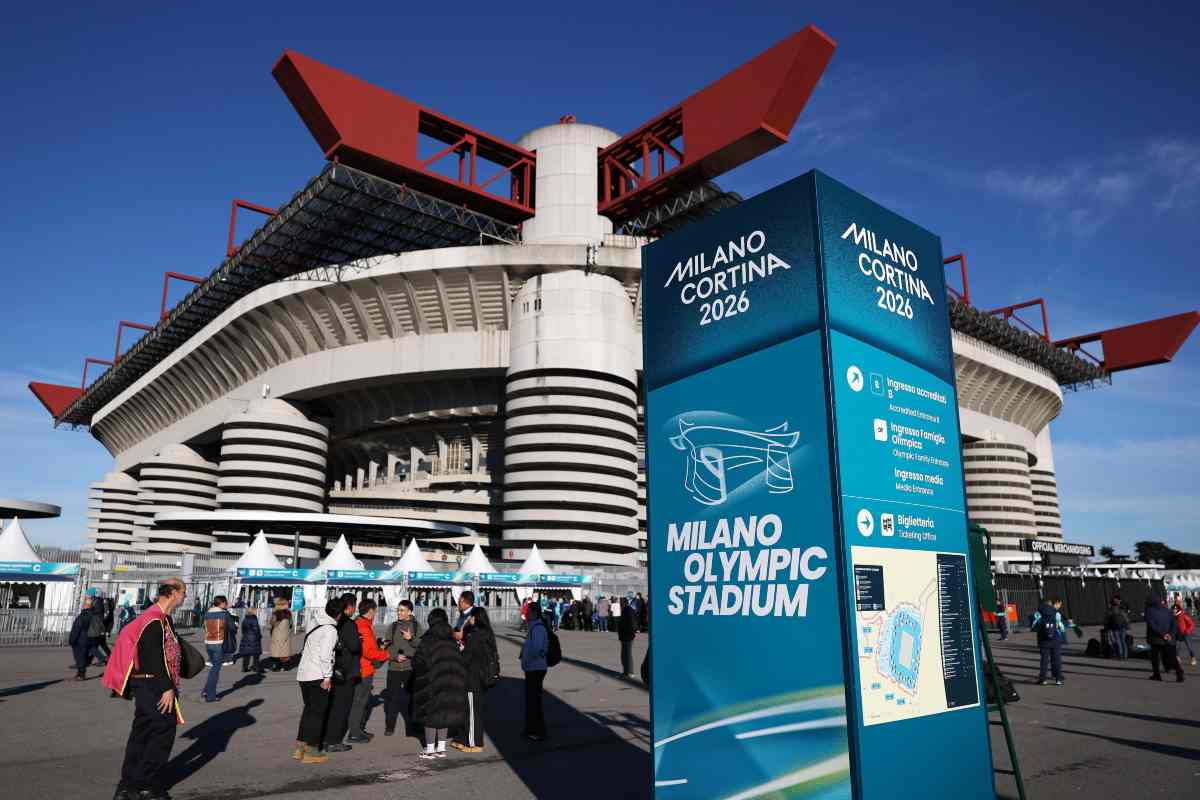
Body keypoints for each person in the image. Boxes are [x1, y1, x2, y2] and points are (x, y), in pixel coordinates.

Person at [103, 578, 189, 800]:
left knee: (142, 732)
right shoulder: (154, 620)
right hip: (154, 684)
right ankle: (146, 785)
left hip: (146, 684)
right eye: (183, 592)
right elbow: (153, 657)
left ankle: (127, 785)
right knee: (163, 730)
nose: (185, 597)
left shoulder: (159, 618)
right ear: (172, 593)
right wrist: (166, 688)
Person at [411, 608, 469, 759]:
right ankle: (441, 747)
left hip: (432, 681)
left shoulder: (428, 639)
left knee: (430, 716)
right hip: (451, 680)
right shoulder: (451, 639)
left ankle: (430, 749)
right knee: (444, 714)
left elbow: (418, 662)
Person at [294, 597, 342, 765]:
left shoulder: (315, 623)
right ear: (339, 614)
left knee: (308, 712)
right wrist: (328, 676)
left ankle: (301, 747)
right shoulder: (330, 630)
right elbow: (325, 656)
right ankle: (312, 750)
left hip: (303, 674)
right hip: (317, 675)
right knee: (318, 713)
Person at [454, 606, 497, 753]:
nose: (469, 619)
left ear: (476, 618)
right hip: (481, 675)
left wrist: (459, 652)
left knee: (472, 711)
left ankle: (474, 742)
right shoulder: (486, 633)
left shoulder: (476, 635)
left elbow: (466, 656)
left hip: (473, 677)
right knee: (472, 708)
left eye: (471, 617)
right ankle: (462, 738)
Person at [323, 594, 363, 752]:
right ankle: (333, 740)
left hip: (333, 668)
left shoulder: (333, 622)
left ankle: (326, 738)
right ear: (350, 606)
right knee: (341, 707)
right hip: (346, 670)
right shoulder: (349, 623)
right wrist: (359, 641)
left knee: (332, 706)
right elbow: (354, 646)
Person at [347, 599, 391, 743]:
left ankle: (358, 729)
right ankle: (354, 732)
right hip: (364, 669)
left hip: (360, 667)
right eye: (375, 610)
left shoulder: (359, 623)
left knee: (360, 701)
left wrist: (377, 644)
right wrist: (387, 654)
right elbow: (369, 652)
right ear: (370, 610)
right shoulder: (364, 627)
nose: (376, 613)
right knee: (359, 702)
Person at [383, 599, 421, 737]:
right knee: (392, 699)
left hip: (410, 668)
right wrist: (394, 657)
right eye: (398, 610)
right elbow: (385, 648)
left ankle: (412, 727)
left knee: (412, 699)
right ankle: (390, 726)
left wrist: (411, 638)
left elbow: (421, 646)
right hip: (394, 668)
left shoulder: (417, 627)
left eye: (402, 610)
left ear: (410, 612)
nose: (399, 612)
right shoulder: (392, 627)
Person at [520, 601, 549, 741]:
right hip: (533, 667)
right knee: (531, 701)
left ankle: (538, 731)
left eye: (529, 612)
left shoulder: (537, 628)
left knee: (534, 701)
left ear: (535, 613)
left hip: (535, 668)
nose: (527, 614)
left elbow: (536, 649)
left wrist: (527, 661)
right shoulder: (534, 627)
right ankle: (531, 728)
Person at [1146, 595, 1185, 682]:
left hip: (1156, 638)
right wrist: (1170, 634)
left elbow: (1152, 625)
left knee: (1155, 658)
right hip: (1168, 639)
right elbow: (1174, 623)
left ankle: (1157, 675)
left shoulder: (1149, 611)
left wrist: (1163, 634)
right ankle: (1179, 673)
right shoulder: (1167, 610)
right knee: (1172, 657)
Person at [202, 596, 232, 702]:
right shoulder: (224, 614)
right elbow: (232, 627)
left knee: (214, 667)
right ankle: (210, 696)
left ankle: (206, 690)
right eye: (225, 603)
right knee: (216, 669)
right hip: (219, 642)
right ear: (222, 603)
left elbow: (204, 626)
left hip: (208, 642)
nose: (226, 605)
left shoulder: (207, 613)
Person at [1032, 596, 1066, 686]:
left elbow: (1034, 626)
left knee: (1044, 660)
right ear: (1050, 603)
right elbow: (1061, 627)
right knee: (1056, 659)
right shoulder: (1056, 613)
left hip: (1043, 640)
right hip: (1055, 639)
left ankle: (1043, 679)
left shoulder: (1038, 612)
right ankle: (1058, 679)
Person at [68, 597, 96, 681]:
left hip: (80, 640)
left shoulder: (82, 616)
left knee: (79, 657)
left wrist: (71, 640)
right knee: (83, 657)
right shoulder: (94, 615)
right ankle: (80, 673)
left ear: (85, 606)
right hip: (90, 639)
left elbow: (76, 629)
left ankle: (81, 674)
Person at [268, 600, 293, 672]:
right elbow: (291, 624)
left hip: (277, 634)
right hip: (285, 635)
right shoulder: (288, 613)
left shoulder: (276, 613)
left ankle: (277, 667)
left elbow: (272, 623)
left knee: (277, 652)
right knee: (284, 652)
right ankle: (286, 667)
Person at [1171, 600, 1196, 667]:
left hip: (1185, 634)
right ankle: (1178, 658)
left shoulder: (1183, 615)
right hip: (1177, 634)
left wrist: (1187, 631)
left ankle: (1193, 658)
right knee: (1176, 648)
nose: (1174, 610)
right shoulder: (1172, 617)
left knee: (1190, 647)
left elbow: (1192, 624)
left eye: (1175, 609)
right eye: (1173, 609)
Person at [238, 607, 263, 673]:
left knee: (246, 654)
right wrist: (259, 636)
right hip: (254, 638)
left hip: (246, 637)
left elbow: (243, 629)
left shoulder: (245, 619)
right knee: (256, 654)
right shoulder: (254, 619)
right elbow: (256, 630)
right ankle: (256, 667)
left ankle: (244, 668)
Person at [618, 597, 637, 677]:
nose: (620, 604)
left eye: (621, 602)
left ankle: (630, 672)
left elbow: (632, 623)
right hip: (624, 635)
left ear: (624, 603)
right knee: (624, 655)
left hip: (628, 635)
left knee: (627, 654)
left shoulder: (628, 610)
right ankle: (626, 671)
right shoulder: (625, 610)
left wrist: (631, 633)